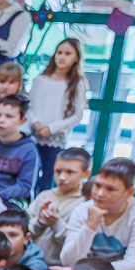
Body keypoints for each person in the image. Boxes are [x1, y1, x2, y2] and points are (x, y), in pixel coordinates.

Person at [51, 156, 135, 270]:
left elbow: (133, 268)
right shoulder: (83, 210)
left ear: (129, 192)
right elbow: (68, 261)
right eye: (97, 185)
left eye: (110, 189)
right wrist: (90, 225)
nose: (100, 193)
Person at [29, 38, 89, 176]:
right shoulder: (40, 80)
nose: (62, 57)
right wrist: (36, 123)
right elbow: (29, 105)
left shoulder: (77, 83)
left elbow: (78, 114)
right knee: (30, 174)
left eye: (68, 53)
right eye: (59, 52)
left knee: (48, 178)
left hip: (55, 139)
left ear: (76, 58)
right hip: (33, 135)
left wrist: (52, 128)